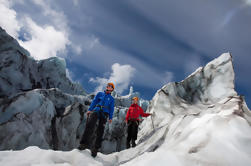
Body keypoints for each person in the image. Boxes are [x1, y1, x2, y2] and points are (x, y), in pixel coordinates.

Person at [78, 82, 115, 157]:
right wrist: (90, 109)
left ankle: (95, 148)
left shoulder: (111, 99)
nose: (109, 87)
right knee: (89, 125)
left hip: (105, 113)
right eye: (108, 86)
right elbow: (94, 101)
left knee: (100, 130)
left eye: (111, 86)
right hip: (96, 110)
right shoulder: (100, 94)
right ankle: (83, 144)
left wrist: (110, 117)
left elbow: (111, 108)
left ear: (112, 89)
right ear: (107, 87)